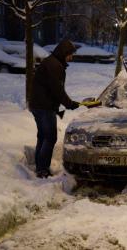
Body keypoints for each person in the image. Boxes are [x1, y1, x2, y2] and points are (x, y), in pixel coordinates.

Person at [29, 39, 80, 178]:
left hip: (39, 105)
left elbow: (54, 89)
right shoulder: (54, 65)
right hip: (44, 107)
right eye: (70, 54)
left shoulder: (52, 62)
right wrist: (70, 104)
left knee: (43, 136)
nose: (71, 57)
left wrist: (64, 104)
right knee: (50, 137)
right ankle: (42, 170)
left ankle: (40, 166)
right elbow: (57, 89)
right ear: (64, 53)